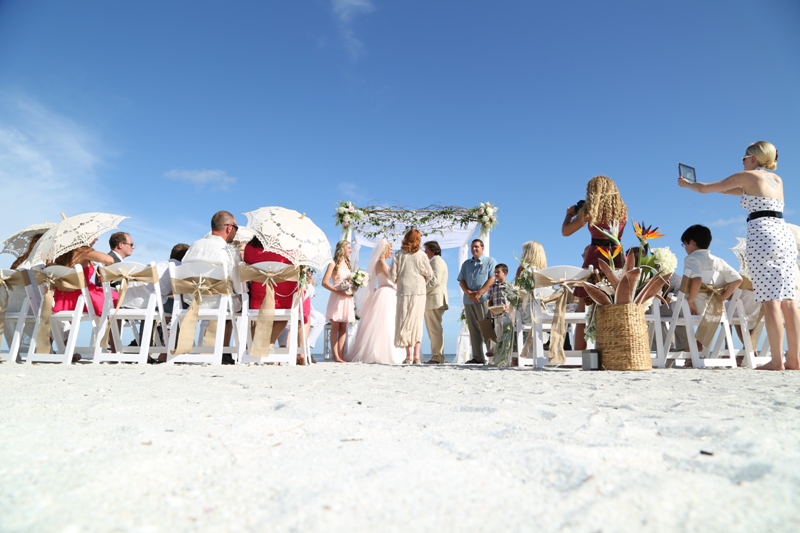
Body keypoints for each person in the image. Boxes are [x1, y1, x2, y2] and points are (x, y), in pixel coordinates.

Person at [679, 140, 799, 370]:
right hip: (784, 235)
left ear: (753, 158)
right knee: (788, 301)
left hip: (763, 235)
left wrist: (688, 185)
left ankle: (776, 361)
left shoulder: (750, 176)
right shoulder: (776, 179)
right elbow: (731, 190)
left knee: (771, 300)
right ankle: (793, 358)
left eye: (744, 158)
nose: (742, 162)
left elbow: (706, 188)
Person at [562, 175, 628, 350]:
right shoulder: (622, 211)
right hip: (617, 256)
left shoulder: (592, 211)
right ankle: (616, 350)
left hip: (596, 256)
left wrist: (569, 214)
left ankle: (579, 354)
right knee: (617, 305)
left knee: (584, 306)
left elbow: (566, 232)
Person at [182, 210, 243, 364]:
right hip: (218, 301)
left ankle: (214, 351)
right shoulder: (229, 250)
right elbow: (238, 284)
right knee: (238, 302)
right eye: (236, 228)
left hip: (191, 301)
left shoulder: (193, 246)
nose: (236, 231)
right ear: (229, 228)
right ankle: (224, 351)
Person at [672, 225, 742, 357]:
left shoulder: (691, 258)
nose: (685, 248)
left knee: (661, 311)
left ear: (692, 242)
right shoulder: (719, 261)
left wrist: (691, 301)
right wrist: (720, 300)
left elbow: (697, 279)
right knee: (678, 313)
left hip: (693, 307)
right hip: (713, 309)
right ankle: (693, 350)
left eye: (684, 244)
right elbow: (738, 280)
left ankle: (687, 350)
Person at [347, 240, 405, 364]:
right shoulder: (381, 262)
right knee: (386, 323)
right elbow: (392, 278)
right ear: (384, 250)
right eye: (390, 249)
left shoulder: (382, 262)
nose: (391, 252)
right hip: (386, 293)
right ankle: (383, 352)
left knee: (389, 323)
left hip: (388, 292)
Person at [243, 236, 299, 351]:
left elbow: (247, 266)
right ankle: (270, 343)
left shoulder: (250, 247)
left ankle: (254, 345)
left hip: (258, 298)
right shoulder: (289, 247)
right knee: (282, 317)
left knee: (257, 318)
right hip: (283, 297)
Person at [391, 229, 433, 364]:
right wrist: (422, 280)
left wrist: (399, 280)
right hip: (419, 291)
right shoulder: (422, 255)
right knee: (416, 322)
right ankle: (416, 356)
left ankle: (409, 356)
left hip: (404, 290)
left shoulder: (398, 255)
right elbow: (429, 273)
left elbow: (392, 275)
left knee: (405, 321)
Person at [457, 239, 497, 364]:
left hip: (483, 299)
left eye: (477, 247)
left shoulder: (490, 261)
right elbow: (461, 280)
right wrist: (468, 293)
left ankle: (493, 355)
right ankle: (477, 357)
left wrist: (480, 292)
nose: (474, 249)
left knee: (486, 327)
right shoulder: (466, 264)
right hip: (469, 300)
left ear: (482, 248)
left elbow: (492, 278)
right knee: (473, 329)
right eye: (473, 247)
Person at [322, 240, 356, 362]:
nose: (350, 250)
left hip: (347, 297)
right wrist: (338, 292)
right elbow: (324, 282)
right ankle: (335, 356)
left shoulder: (348, 264)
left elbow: (350, 282)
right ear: (342, 248)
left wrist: (354, 288)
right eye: (349, 248)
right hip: (337, 296)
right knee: (335, 326)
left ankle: (341, 355)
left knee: (344, 326)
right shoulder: (332, 263)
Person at [423, 240, 449, 364]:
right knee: (434, 328)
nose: (425, 252)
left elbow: (435, 281)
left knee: (435, 329)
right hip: (434, 299)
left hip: (434, 299)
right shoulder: (435, 261)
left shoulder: (437, 261)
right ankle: (437, 356)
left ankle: (437, 357)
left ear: (432, 250)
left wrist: (422, 290)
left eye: (426, 250)